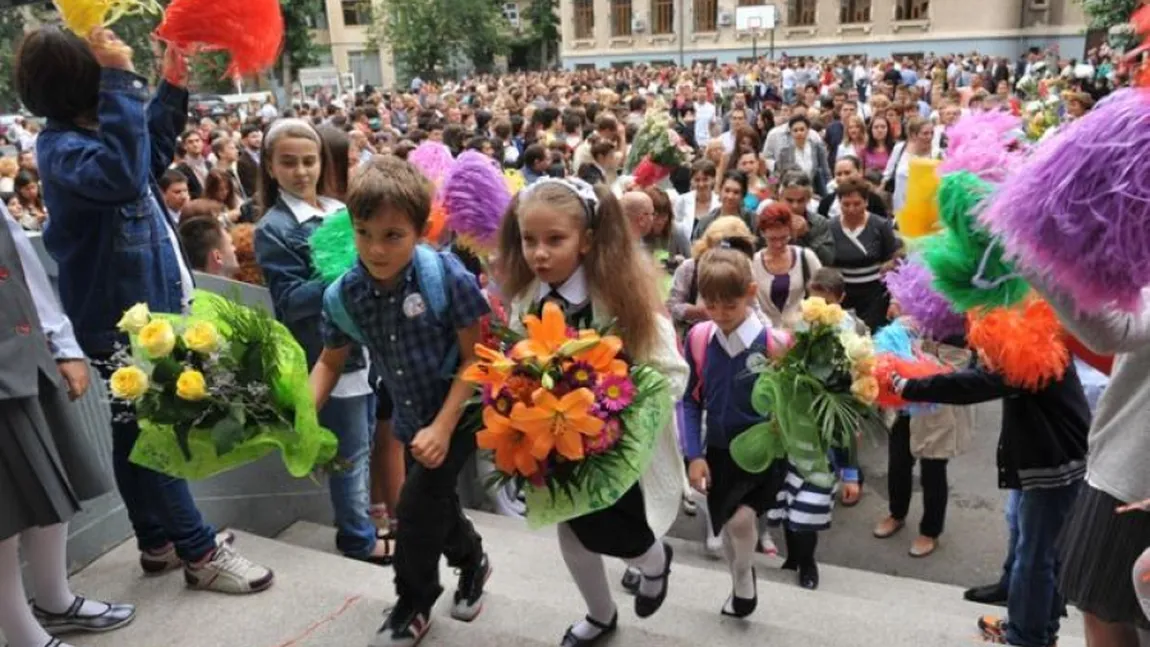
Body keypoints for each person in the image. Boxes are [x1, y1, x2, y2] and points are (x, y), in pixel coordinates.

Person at [20, 25, 273, 593]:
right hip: (122, 323)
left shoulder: (98, 141)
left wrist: (171, 78)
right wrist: (118, 78)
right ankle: (199, 551)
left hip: (145, 313)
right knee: (161, 431)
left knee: (136, 434)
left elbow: (149, 152)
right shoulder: (62, 149)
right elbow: (123, 172)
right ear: (84, 84)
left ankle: (156, 541)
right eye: (100, 72)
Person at [497, 177, 687, 646]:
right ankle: (601, 614)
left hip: (615, 450)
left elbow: (671, 373)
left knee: (619, 532)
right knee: (571, 535)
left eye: (554, 240)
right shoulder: (527, 298)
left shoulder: (621, 300)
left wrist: (615, 409)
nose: (539, 254)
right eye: (529, 240)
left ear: (586, 239)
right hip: (557, 449)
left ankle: (654, 562)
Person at [313, 155, 492, 647]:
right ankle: (473, 560)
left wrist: (442, 426)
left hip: (459, 411)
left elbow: (476, 360)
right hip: (412, 416)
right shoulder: (345, 295)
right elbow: (330, 361)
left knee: (413, 509)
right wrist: (301, 416)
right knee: (434, 503)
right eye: (364, 232)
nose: (376, 248)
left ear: (419, 230)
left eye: (392, 235)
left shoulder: (445, 277)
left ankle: (414, 601)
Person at [253, 119, 390, 568]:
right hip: (329, 356)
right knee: (348, 453)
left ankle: (363, 521)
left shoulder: (337, 208)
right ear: (270, 168)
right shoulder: (273, 228)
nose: (301, 171)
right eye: (288, 162)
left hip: (370, 352)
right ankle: (356, 539)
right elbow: (290, 302)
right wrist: (341, 272)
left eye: (309, 161)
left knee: (365, 442)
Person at [0, 203, 138, 647]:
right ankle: (21, 633)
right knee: (5, 510)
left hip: (25, 352)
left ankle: (54, 600)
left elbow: (23, 265)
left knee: (51, 484)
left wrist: (62, 344)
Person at [893, 349, 1090, 646]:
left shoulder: (1035, 347)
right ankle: (1035, 628)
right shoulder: (1034, 334)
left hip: (1054, 464)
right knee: (1033, 548)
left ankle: (1028, 638)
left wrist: (909, 386)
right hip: (1043, 458)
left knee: (1036, 559)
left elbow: (979, 384)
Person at [1029, 282, 1150, 647]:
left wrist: (1023, 236)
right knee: (1105, 613)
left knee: (1107, 618)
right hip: (1124, 465)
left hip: (1130, 472)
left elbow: (1115, 330)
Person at [681, 246, 790, 617]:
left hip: (764, 453)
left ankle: (743, 576)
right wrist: (693, 454)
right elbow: (690, 400)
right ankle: (740, 579)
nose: (721, 315)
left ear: (749, 293)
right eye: (712, 305)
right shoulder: (698, 338)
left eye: (729, 305)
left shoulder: (776, 345)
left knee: (742, 520)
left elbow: (795, 406)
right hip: (719, 452)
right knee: (728, 524)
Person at [828, 178, 900, 332]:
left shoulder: (880, 226)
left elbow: (894, 262)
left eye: (857, 203)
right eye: (846, 204)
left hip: (875, 297)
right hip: (843, 296)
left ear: (866, 202)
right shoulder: (831, 227)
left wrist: (894, 300)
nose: (851, 209)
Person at [752, 203, 821, 329]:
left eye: (784, 238)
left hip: (802, 335)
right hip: (765, 335)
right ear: (762, 233)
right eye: (772, 239)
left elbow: (823, 294)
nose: (778, 244)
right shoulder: (753, 263)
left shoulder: (806, 257)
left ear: (791, 231)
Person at [774, 171, 834, 266]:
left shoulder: (819, 222)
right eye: (789, 200)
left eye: (800, 200)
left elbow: (828, 260)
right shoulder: (769, 222)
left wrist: (807, 235)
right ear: (780, 197)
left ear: (809, 199)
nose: (795, 206)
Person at [883, 116, 935, 214]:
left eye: (932, 133)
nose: (929, 137)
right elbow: (888, 174)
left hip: (925, 209)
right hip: (899, 209)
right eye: (925, 133)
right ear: (913, 135)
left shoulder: (936, 153)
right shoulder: (900, 149)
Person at [776, 115, 832, 197]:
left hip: (815, 193)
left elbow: (826, 172)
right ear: (791, 132)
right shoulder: (784, 152)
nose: (799, 133)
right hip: (792, 193)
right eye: (795, 130)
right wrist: (772, 189)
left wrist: (830, 190)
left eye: (802, 129)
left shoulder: (817, 148)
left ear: (808, 131)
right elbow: (776, 174)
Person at [818, 155, 890, 219]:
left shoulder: (874, 200)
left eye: (847, 173)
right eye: (839, 174)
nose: (843, 178)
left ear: (860, 172)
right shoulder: (826, 202)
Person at [692, 170, 757, 240]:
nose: (730, 196)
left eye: (736, 192)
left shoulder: (752, 221)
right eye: (727, 190)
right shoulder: (706, 222)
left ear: (743, 195)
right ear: (720, 191)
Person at [643, 186, 690, 271]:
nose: (660, 222)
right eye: (656, 216)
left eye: (664, 216)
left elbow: (691, 261)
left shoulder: (677, 231)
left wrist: (678, 263)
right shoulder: (638, 234)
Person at [673, 159, 720, 242]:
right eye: (697, 180)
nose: (701, 184)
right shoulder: (682, 200)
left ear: (713, 180)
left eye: (705, 179)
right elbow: (675, 228)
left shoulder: (720, 203)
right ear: (691, 181)